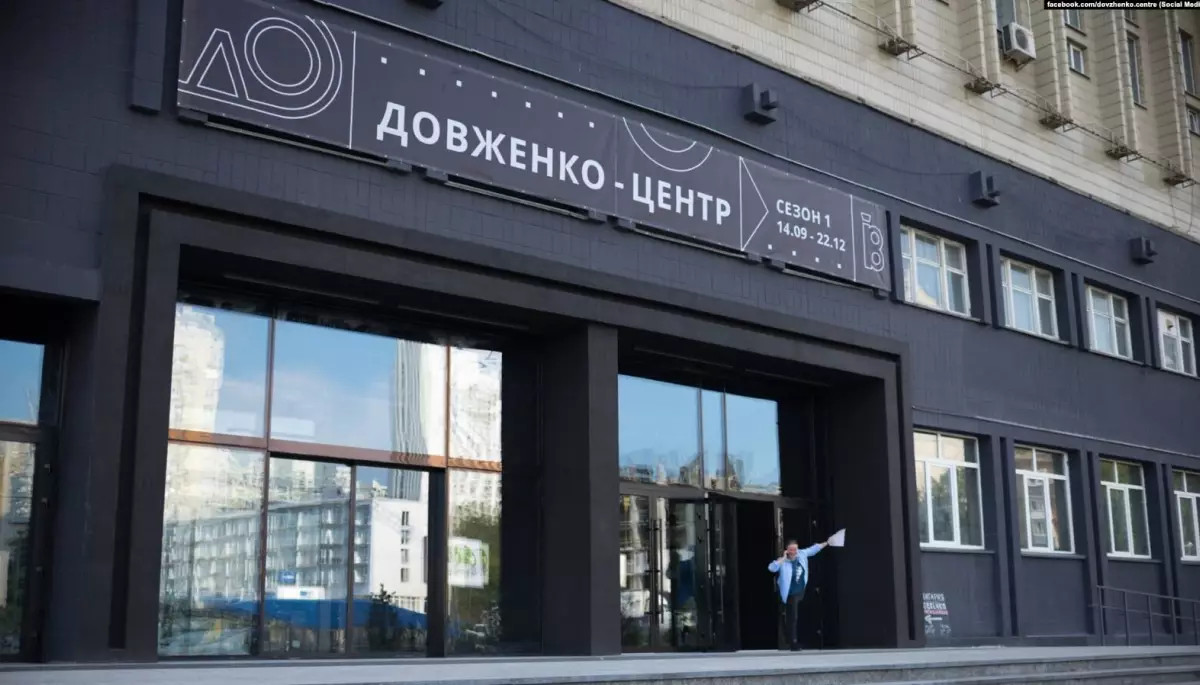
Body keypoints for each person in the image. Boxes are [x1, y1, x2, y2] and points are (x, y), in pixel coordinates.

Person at [768, 536, 833, 651]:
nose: (793, 552)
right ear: (787, 550)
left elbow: (815, 548)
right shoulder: (783, 562)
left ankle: (810, 640)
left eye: (795, 549)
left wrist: (827, 542)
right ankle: (793, 643)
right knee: (793, 617)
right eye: (791, 549)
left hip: (802, 590)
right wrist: (783, 558)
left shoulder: (802, 554)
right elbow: (771, 568)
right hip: (790, 593)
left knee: (804, 614)